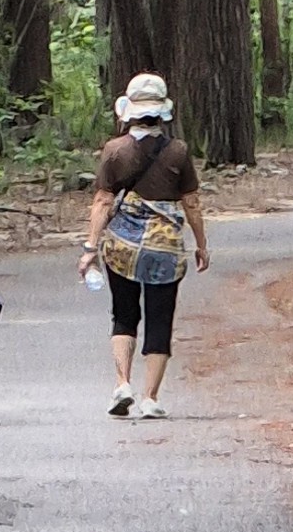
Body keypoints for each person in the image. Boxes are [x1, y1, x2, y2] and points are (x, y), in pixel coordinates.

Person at [81, 70, 206, 420]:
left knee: (124, 315)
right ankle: (150, 397)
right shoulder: (178, 151)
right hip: (165, 248)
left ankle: (122, 383)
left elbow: (103, 202)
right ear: (162, 111)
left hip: (121, 246)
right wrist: (201, 245)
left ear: (130, 110)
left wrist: (91, 247)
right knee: (159, 318)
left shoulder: (114, 150)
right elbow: (191, 202)